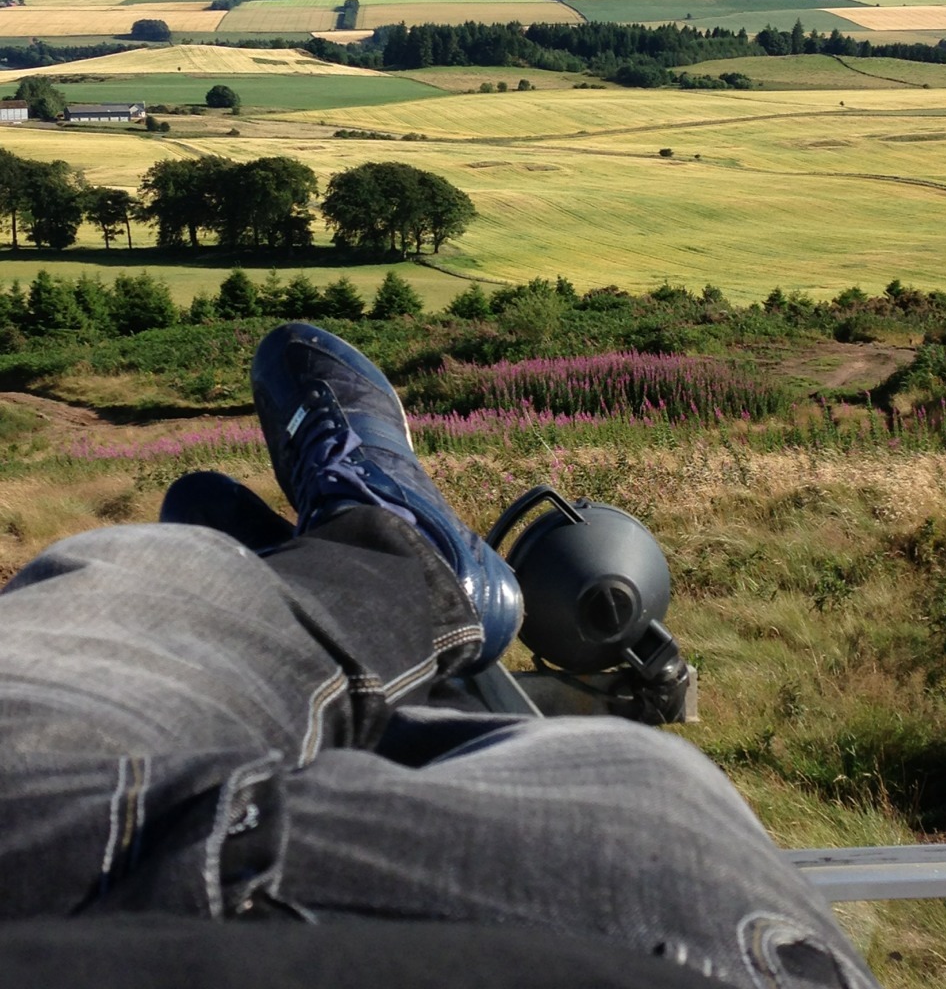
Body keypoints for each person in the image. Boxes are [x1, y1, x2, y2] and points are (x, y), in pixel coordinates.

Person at [0, 323, 880, 988]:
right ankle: (387, 552)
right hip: (655, 930)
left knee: (143, 587)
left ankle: (338, 570)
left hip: (49, 881)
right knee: (137, 593)